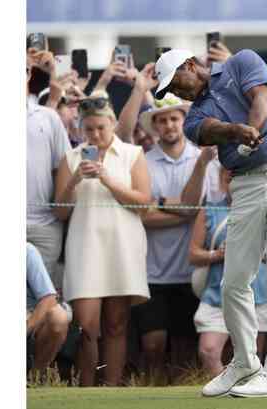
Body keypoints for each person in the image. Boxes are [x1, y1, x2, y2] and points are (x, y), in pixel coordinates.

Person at [154, 48, 267, 397]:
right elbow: (211, 129)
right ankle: (244, 361)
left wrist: (251, 129)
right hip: (246, 185)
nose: (177, 94)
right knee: (234, 280)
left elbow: (260, 99)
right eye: (170, 92)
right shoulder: (193, 117)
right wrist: (236, 132)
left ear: (191, 65)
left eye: (176, 83)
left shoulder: (242, 61)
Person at [53, 92, 152, 386]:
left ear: (112, 123)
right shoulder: (70, 158)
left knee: (116, 324)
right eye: (89, 129)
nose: (95, 134)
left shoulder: (133, 154)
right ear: (82, 128)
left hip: (123, 246)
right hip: (84, 248)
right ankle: (85, 388)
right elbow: (60, 213)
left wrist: (108, 179)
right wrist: (74, 179)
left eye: (101, 128)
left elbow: (143, 204)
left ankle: (111, 389)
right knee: (86, 325)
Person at [132, 94, 200, 385]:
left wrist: (165, 206)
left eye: (174, 118)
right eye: (163, 120)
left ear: (183, 121)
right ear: (155, 126)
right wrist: (186, 212)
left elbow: (203, 210)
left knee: (185, 348)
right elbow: (141, 215)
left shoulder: (200, 159)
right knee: (153, 346)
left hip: (191, 271)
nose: (169, 124)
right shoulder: (143, 162)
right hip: (152, 271)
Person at [189, 167, 267, 379]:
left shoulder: (265, 209)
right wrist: (218, 254)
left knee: (252, 357)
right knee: (208, 351)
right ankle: (225, 393)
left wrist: (248, 249)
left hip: (256, 294)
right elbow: (193, 255)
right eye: (228, 174)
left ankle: (242, 398)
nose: (233, 179)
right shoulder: (210, 210)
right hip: (218, 294)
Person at [26, 52, 72, 291]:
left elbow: (61, 168)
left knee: (45, 306)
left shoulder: (48, 117)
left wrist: (59, 215)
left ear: (28, 74)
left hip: (45, 227)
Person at [26, 243, 71, 375]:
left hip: (28, 314)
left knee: (58, 317)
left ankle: (35, 378)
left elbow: (49, 298)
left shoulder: (26, 251)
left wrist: (25, 328)